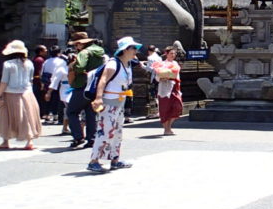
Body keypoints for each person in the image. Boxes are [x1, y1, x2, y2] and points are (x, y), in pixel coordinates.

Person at [86, 36, 139, 174]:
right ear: (125, 49)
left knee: (117, 133)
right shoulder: (113, 63)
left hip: (119, 102)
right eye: (133, 48)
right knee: (104, 131)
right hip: (109, 101)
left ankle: (115, 160)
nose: (136, 51)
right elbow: (102, 81)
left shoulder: (127, 64)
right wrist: (98, 98)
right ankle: (94, 161)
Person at [0, 40, 43, 150]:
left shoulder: (8, 64)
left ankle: (5, 141)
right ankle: (29, 141)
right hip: (27, 93)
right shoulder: (29, 63)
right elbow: (31, 79)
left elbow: (4, 81)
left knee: (6, 117)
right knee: (27, 117)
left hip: (11, 93)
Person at [65, 31, 106, 149]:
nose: (75, 47)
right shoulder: (99, 52)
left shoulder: (84, 53)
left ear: (80, 43)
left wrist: (74, 66)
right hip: (94, 86)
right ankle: (91, 139)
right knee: (91, 114)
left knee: (72, 112)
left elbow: (80, 67)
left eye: (76, 44)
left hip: (82, 85)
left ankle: (78, 137)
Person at [150, 45, 184, 135]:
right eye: (171, 53)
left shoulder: (175, 63)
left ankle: (169, 125)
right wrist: (161, 78)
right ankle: (166, 129)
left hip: (175, 87)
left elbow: (177, 76)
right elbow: (157, 76)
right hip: (165, 87)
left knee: (178, 107)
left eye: (174, 53)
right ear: (166, 54)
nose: (173, 55)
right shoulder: (161, 64)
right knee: (165, 108)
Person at [45, 52, 72, 136]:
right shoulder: (61, 69)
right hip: (65, 89)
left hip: (74, 89)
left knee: (69, 109)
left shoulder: (75, 68)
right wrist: (49, 92)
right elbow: (55, 81)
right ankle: (68, 127)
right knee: (69, 108)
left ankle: (66, 127)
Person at [40, 45, 66, 124]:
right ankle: (55, 116)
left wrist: (42, 83)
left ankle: (47, 115)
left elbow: (42, 72)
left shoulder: (46, 61)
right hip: (57, 81)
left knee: (48, 98)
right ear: (59, 53)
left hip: (47, 81)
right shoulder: (62, 61)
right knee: (57, 99)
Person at [31, 44, 48, 115]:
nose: (46, 51)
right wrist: (42, 84)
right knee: (40, 98)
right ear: (40, 52)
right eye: (45, 50)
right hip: (38, 83)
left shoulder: (36, 59)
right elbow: (40, 73)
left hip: (36, 82)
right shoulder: (39, 60)